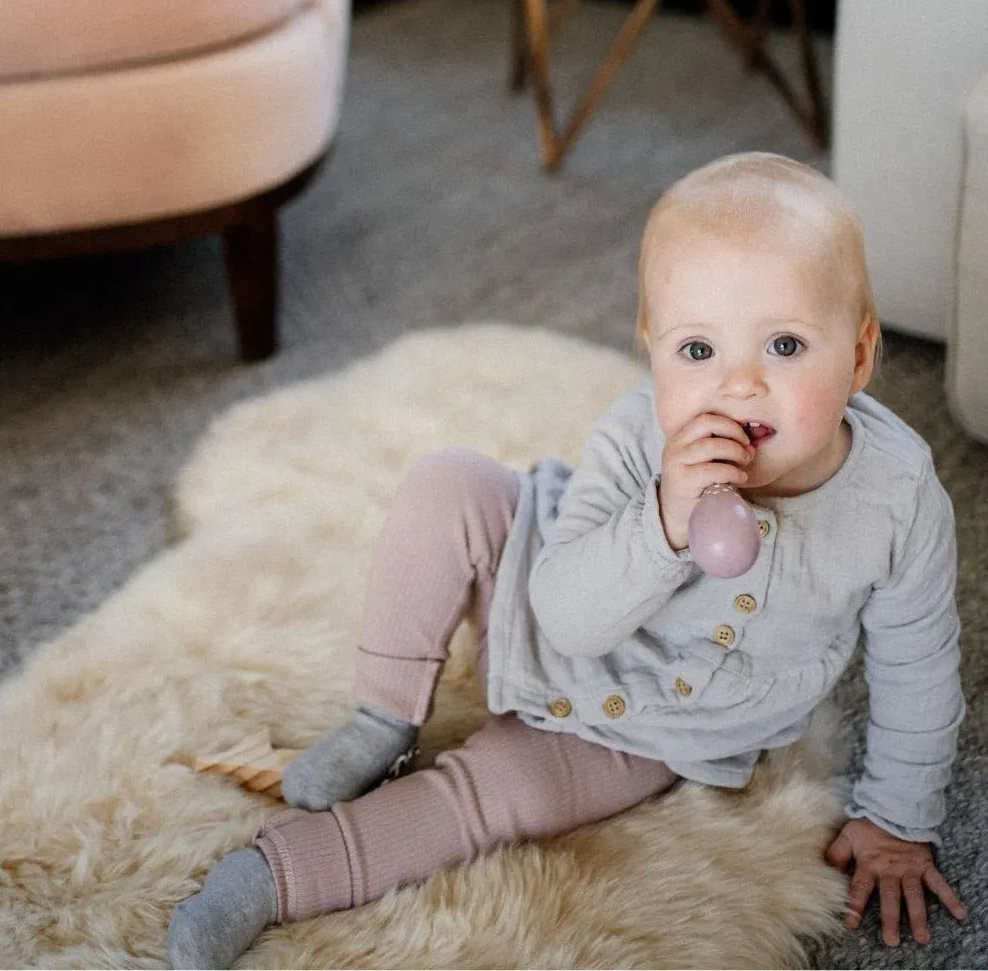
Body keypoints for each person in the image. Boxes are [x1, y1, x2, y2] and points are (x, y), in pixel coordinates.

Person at [168, 152, 967, 968]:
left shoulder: (898, 499)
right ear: (651, 350)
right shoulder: (635, 438)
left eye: (786, 344)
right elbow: (568, 617)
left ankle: (275, 874)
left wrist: (899, 822)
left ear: (861, 357)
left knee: (503, 795)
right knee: (450, 484)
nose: (739, 386)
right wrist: (664, 520)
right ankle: (382, 715)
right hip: (552, 586)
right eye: (697, 352)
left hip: (650, 731)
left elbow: (920, 668)